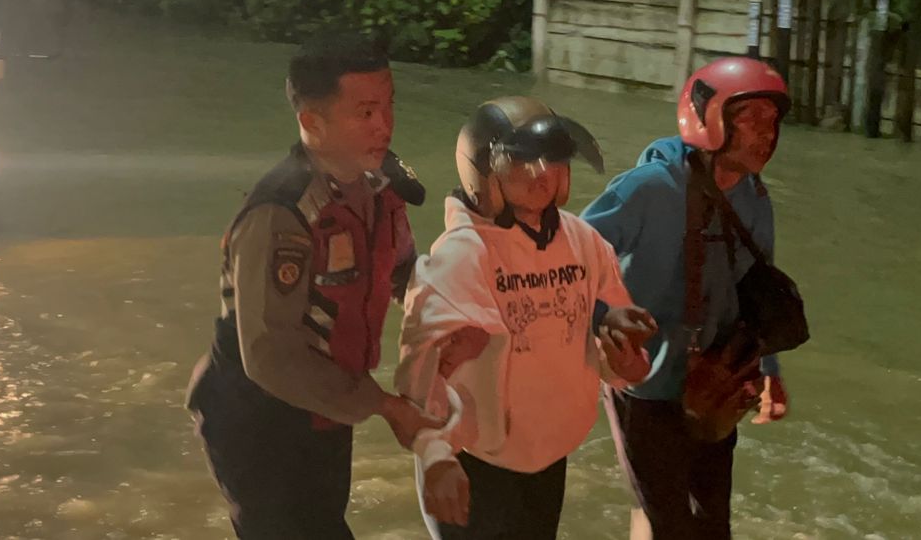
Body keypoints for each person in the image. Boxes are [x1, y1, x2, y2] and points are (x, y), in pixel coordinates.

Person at [186, 30, 441, 540]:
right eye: (365, 112)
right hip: (259, 415)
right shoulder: (280, 214)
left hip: (327, 404)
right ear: (311, 122)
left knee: (324, 523)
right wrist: (385, 405)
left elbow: (404, 272)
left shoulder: (376, 186)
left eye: (388, 107)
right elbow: (271, 356)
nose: (384, 126)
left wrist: (448, 328)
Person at [395, 96, 659, 540]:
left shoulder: (583, 241)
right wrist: (434, 454)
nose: (543, 175)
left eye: (554, 161)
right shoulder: (459, 256)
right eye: (524, 163)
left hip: (547, 458)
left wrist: (627, 364)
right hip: (473, 462)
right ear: (484, 172)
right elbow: (418, 372)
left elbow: (603, 345)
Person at [582, 57, 793, 540]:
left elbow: (758, 291)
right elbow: (573, 257)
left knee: (713, 522)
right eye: (751, 119)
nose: (766, 134)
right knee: (666, 520)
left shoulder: (754, 199)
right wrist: (603, 326)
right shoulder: (648, 189)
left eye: (773, 122)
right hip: (646, 380)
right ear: (707, 116)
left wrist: (770, 372)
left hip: (714, 380)